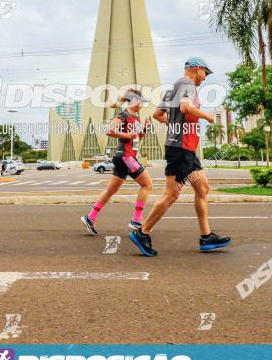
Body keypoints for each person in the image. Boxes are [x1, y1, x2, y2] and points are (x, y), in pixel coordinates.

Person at [129, 57, 231, 256]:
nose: (205, 78)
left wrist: (175, 124)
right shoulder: (187, 84)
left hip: (186, 149)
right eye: (205, 74)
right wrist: (207, 116)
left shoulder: (175, 86)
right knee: (172, 194)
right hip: (181, 149)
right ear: (198, 69)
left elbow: (158, 114)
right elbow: (186, 108)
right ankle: (143, 232)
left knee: (202, 188)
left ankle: (206, 237)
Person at [81, 89, 154, 235]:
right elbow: (109, 130)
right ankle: (136, 219)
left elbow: (137, 138)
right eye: (141, 102)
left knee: (111, 190)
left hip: (126, 157)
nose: (142, 105)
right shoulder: (124, 115)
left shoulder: (136, 118)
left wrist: (145, 129)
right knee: (147, 184)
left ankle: (90, 218)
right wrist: (126, 134)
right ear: (134, 101)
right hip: (126, 156)